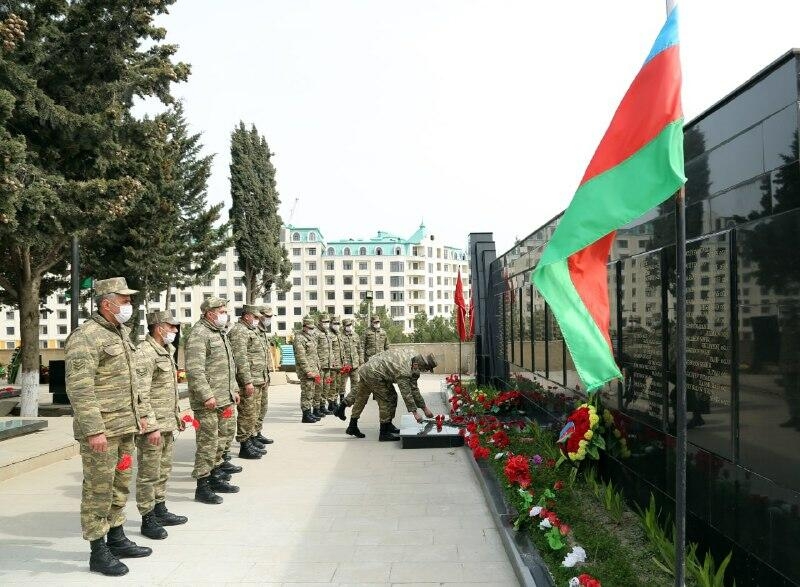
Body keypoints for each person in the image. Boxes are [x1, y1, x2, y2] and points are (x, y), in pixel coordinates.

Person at [65, 277, 151, 576]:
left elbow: (133, 382)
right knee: (98, 490)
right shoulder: (86, 336)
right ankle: (97, 549)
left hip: (125, 427)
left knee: (120, 484)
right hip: (103, 432)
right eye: (125, 301)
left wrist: (141, 416)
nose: (130, 305)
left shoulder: (121, 333)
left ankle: (116, 536)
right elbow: (80, 388)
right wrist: (94, 430)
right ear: (107, 303)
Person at [135, 310, 188, 540]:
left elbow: (168, 390)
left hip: (167, 423)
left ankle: (160, 508)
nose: (175, 331)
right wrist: (151, 426)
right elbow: (141, 393)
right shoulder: (145, 352)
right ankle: (147, 518)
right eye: (172, 327)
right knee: (149, 473)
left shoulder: (167, 350)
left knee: (163, 470)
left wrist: (176, 417)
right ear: (159, 328)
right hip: (153, 426)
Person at [185, 296, 241, 504]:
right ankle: (202, 486)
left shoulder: (219, 333)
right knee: (208, 443)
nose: (225, 313)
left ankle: (216, 476)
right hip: (208, 402)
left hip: (224, 399)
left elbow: (228, 366)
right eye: (222, 310)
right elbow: (195, 370)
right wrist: (206, 394)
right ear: (210, 313)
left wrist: (233, 389)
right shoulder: (200, 334)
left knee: (222, 439)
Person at [339, 349, 437, 440]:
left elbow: (414, 389)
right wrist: (415, 413)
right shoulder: (404, 370)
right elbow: (406, 393)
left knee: (363, 396)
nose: (425, 371)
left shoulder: (414, 358)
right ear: (416, 365)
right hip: (374, 373)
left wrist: (424, 408)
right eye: (425, 368)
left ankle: (353, 425)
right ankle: (384, 433)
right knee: (386, 399)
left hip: (373, 369)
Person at [229, 304, 269, 460]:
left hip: (257, 378)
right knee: (247, 413)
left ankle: (251, 439)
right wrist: (247, 381)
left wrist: (264, 377)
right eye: (256, 317)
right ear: (247, 316)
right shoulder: (239, 331)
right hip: (248, 380)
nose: (258, 320)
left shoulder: (250, 330)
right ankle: (244, 446)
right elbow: (241, 359)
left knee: (254, 412)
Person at [254, 305, 276, 444]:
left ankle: (257, 432)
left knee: (262, 407)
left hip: (262, 377)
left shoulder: (262, 331)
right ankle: (250, 436)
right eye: (266, 316)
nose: (269, 319)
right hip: (254, 378)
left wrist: (267, 375)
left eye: (270, 317)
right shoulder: (253, 330)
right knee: (253, 410)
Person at [293, 315, 321, 423]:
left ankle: (309, 412)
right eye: (309, 328)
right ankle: (305, 414)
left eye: (312, 328)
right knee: (306, 392)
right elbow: (301, 356)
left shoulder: (311, 337)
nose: (311, 329)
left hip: (314, 369)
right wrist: (307, 371)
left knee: (312, 391)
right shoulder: (299, 338)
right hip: (306, 371)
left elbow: (314, 354)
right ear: (304, 327)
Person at [336, 317, 361, 412]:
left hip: (355, 364)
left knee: (355, 383)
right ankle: (342, 398)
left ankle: (352, 398)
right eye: (347, 325)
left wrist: (361, 361)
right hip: (344, 365)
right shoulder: (340, 336)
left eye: (350, 325)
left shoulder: (356, 336)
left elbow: (359, 349)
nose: (349, 327)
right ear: (344, 326)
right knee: (342, 383)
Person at [314, 312, 334, 418]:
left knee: (326, 386)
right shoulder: (315, 333)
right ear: (319, 322)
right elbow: (313, 350)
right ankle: (316, 408)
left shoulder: (328, 333)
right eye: (324, 322)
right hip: (320, 365)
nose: (326, 323)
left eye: (328, 322)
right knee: (318, 387)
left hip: (328, 365)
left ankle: (322, 406)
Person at [327, 315, 344, 412]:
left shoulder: (339, 334)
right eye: (335, 323)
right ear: (331, 324)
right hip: (333, 365)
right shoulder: (329, 334)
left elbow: (342, 350)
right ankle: (331, 403)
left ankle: (335, 401)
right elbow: (328, 350)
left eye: (338, 323)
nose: (337, 325)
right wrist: (332, 361)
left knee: (338, 384)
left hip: (340, 364)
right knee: (332, 385)